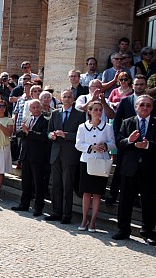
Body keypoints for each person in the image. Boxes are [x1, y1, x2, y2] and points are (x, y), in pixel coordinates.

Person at [112, 95, 156, 245]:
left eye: (148, 105)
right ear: (136, 107)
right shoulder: (127, 122)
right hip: (129, 168)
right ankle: (123, 230)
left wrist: (148, 145)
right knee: (125, 201)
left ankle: (147, 232)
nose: (145, 108)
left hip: (149, 169)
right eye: (142, 105)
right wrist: (129, 141)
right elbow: (119, 143)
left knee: (149, 202)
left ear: (152, 108)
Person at [45, 89, 86, 224]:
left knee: (67, 185)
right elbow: (48, 132)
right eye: (64, 97)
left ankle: (66, 214)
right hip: (56, 153)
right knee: (56, 185)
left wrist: (66, 135)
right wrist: (52, 135)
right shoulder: (55, 113)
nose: (67, 99)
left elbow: (81, 135)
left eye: (69, 97)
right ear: (61, 99)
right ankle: (56, 211)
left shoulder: (80, 115)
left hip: (70, 154)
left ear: (73, 99)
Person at [75, 101, 116, 233]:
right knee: (86, 192)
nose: (98, 112)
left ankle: (93, 221)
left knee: (97, 193)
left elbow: (112, 144)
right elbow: (78, 144)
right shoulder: (82, 127)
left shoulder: (107, 127)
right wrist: (91, 147)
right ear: (89, 111)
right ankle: (84, 219)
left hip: (101, 162)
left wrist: (105, 146)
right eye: (95, 110)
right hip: (86, 161)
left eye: (100, 110)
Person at [11, 99, 50, 215]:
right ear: (30, 110)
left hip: (38, 156)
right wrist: (24, 132)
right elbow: (18, 133)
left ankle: (38, 207)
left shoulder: (45, 121)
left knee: (38, 183)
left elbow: (44, 137)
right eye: (34, 107)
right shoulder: (27, 119)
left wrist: (29, 133)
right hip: (26, 155)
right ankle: (24, 204)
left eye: (38, 107)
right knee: (26, 182)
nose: (36, 109)